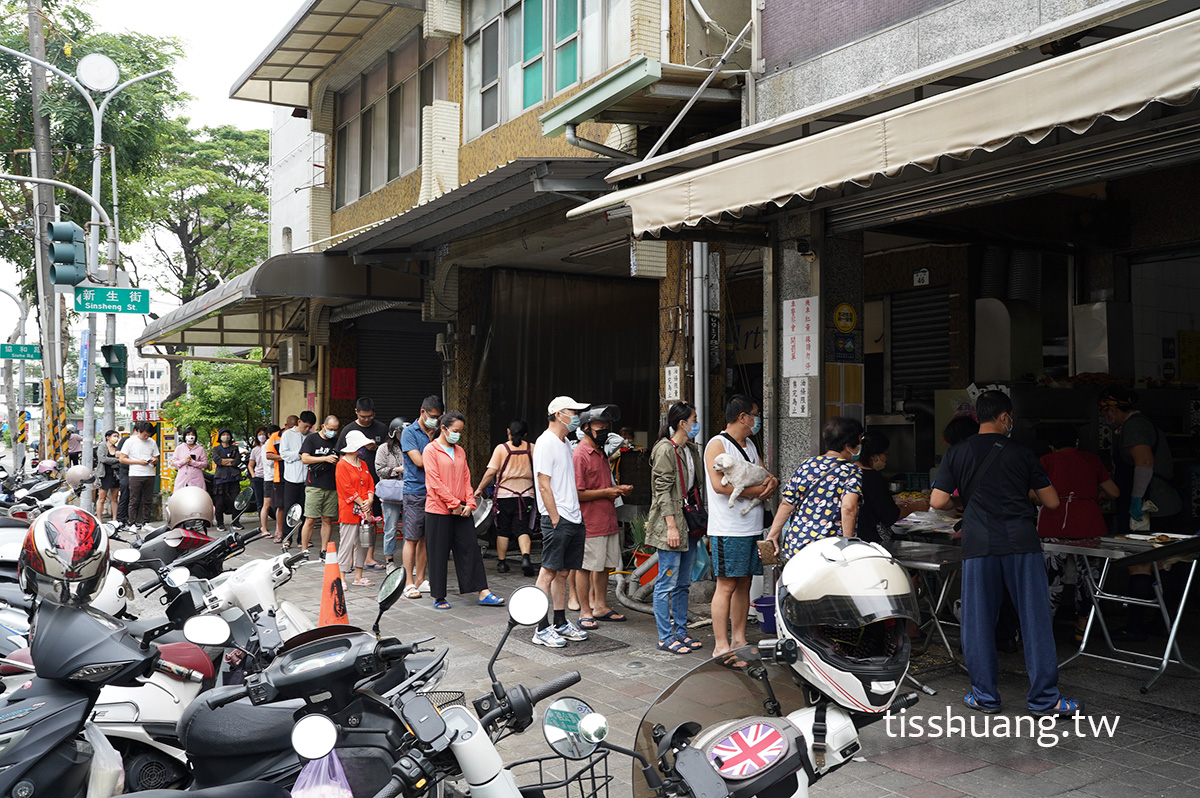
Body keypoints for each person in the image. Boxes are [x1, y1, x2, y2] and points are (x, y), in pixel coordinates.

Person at [930, 390, 1080, 716]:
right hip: (1021, 544)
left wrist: (965, 501)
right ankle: (1045, 700)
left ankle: (984, 697)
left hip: (979, 544)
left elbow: (938, 502)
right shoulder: (1023, 453)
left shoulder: (957, 453)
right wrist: (1025, 493)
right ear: (1004, 417)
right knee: (1034, 620)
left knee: (978, 621)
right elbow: (1052, 501)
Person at [1099, 388, 1180, 638]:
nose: (1104, 417)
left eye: (1105, 412)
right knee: (1159, 564)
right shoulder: (1137, 425)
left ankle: (1136, 625)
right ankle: (1159, 622)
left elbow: (1144, 463)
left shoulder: (1134, 427)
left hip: (1151, 506)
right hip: (1159, 503)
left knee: (1141, 564)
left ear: (1113, 410)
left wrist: (1135, 501)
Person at [705, 395, 779, 661]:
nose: (757, 419)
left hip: (751, 526)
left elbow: (765, 474)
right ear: (743, 417)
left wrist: (771, 482)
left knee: (745, 582)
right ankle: (720, 646)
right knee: (726, 585)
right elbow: (719, 486)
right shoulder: (718, 444)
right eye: (755, 414)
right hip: (728, 528)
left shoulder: (748, 445)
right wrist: (761, 490)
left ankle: (739, 639)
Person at [1037, 423, 1119, 637]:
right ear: (1076, 443)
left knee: (1050, 580)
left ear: (1051, 446)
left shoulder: (1046, 460)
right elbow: (1114, 492)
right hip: (1089, 525)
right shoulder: (1092, 460)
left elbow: (1033, 495)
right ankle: (1082, 628)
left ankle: (1043, 629)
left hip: (1054, 525)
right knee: (1088, 579)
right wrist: (1092, 496)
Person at [423, 411, 505, 609]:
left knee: (470, 550)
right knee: (438, 553)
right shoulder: (430, 450)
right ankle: (439, 596)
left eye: (460, 431)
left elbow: (467, 478)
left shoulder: (460, 451)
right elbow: (435, 483)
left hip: (462, 509)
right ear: (443, 428)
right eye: (455, 430)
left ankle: (482, 591)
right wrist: (454, 504)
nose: (458, 435)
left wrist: (469, 503)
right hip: (438, 510)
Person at [531, 396, 593, 648]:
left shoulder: (565, 442)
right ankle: (540, 627)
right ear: (558, 414)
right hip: (558, 517)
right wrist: (555, 517)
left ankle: (559, 622)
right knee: (548, 571)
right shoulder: (545, 442)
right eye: (573, 411)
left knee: (563, 572)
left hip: (572, 516)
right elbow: (543, 484)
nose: (577, 416)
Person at [647, 401, 704, 655]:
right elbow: (662, 491)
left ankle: (681, 632)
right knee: (666, 582)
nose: (696, 424)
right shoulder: (665, 450)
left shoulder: (689, 449)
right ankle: (665, 636)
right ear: (682, 423)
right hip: (673, 523)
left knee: (683, 583)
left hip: (688, 522)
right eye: (694, 419)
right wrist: (671, 526)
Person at [766, 416, 863, 558]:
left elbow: (786, 504)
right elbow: (848, 508)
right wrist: (847, 544)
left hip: (797, 546)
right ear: (848, 446)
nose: (860, 448)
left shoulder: (807, 465)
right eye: (859, 443)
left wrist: (772, 536)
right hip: (830, 549)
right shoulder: (851, 471)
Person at [572, 405, 631, 631]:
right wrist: (607, 492)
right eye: (600, 427)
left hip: (607, 519)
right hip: (590, 522)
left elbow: (601, 486)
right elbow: (577, 493)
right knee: (585, 568)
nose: (605, 431)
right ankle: (585, 611)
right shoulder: (579, 455)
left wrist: (616, 489)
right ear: (586, 428)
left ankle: (601, 606)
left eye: (607, 427)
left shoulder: (601, 452)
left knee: (606, 566)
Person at [474, 420, 537, 577]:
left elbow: (490, 472)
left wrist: (480, 488)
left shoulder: (502, 449)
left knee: (503, 529)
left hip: (504, 496)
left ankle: (502, 563)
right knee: (523, 528)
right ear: (525, 434)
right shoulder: (532, 448)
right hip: (526, 495)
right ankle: (526, 558)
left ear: (508, 431)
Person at [337, 398, 390, 569]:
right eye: (363, 417)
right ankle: (351, 559)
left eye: (370, 417)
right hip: (354, 483)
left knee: (371, 521)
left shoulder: (381, 428)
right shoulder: (348, 430)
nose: (367, 420)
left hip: (373, 482)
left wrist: (375, 448)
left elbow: (389, 451)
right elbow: (341, 455)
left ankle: (369, 557)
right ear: (356, 412)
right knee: (352, 525)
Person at [400, 396, 443, 598]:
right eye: (433, 416)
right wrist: (436, 446)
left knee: (426, 539)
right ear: (423, 412)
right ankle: (408, 582)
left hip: (434, 492)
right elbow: (419, 461)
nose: (436, 420)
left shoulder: (436, 433)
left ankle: (420, 579)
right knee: (412, 538)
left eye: (438, 417)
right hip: (415, 491)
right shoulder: (409, 433)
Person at [335, 429, 376, 587]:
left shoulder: (363, 463)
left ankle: (359, 577)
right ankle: (342, 577)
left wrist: (370, 498)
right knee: (347, 542)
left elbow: (370, 483)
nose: (363, 448)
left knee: (362, 543)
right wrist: (362, 502)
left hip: (365, 509)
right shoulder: (342, 465)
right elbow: (346, 489)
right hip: (349, 510)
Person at [854, 431, 911, 545]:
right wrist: (914, 507)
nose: (886, 458)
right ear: (874, 456)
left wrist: (892, 502)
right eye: (886, 454)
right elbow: (890, 516)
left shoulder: (849, 473)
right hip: (873, 539)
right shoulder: (872, 478)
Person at [300, 414, 342, 552]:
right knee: (310, 519)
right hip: (314, 485)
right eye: (330, 428)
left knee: (327, 519)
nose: (333, 432)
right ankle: (304, 550)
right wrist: (325, 459)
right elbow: (305, 459)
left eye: (336, 429)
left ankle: (324, 550)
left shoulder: (336, 441)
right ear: (323, 426)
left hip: (331, 486)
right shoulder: (311, 439)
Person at [375, 417, 408, 573]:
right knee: (390, 527)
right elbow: (379, 470)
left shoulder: (412, 446)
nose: (404, 435)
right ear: (394, 433)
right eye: (401, 432)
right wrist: (396, 470)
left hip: (409, 492)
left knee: (411, 528)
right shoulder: (383, 449)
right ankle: (390, 561)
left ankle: (410, 561)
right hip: (391, 494)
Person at [279, 411, 315, 546]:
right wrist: (300, 454)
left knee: (306, 510)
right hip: (291, 478)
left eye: (309, 427)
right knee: (289, 509)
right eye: (305, 426)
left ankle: (302, 539)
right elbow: (284, 455)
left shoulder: (312, 437)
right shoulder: (287, 435)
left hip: (307, 479)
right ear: (299, 422)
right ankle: (287, 538)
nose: (306, 429)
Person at [118, 422, 159, 532]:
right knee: (134, 500)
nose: (146, 437)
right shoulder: (130, 442)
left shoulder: (152, 442)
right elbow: (122, 459)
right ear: (139, 431)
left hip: (150, 473)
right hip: (135, 474)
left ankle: (146, 522)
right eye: (145, 435)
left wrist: (154, 459)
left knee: (148, 499)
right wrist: (138, 462)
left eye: (148, 435)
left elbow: (156, 457)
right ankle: (132, 523)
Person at [265, 417, 296, 542]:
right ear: (285, 425)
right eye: (290, 427)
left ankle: (295, 534)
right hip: (280, 476)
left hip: (296, 476)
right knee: (281, 506)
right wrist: (285, 457)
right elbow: (269, 455)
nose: (293, 430)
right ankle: (279, 531)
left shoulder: (298, 436)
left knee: (295, 506)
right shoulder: (275, 436)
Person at [210, 429, 241, 532]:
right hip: (221, 478)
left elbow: (237, 461)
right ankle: (220, 523)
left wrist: (225, 461)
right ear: (220, 437)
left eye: (227, 434)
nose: (225, 436)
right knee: (219, 502)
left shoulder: (234, 448)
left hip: (233, 477)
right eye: (223, 434)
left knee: (236, 500)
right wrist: (229, 460)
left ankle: (236, 521)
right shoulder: (216, 449)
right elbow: (217, 461)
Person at [171, 427, 208, 492]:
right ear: (185, 436)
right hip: (182, 478)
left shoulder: (200, 449)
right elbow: (174, 462)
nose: (190, 437)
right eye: (188, 435)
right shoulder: (179, 448)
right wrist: (184, 461)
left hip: (196, 478)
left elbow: (204, 464)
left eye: (192, 434)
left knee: (197, 496)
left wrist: (193, 463)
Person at [96, 430, 121, 523]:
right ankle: (99, 519)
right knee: (101, 498)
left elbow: (121, 460)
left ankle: (114, 519)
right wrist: (116, 460)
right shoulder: (102, 446)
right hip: (104, 475)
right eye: (114, 436)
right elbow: (103, 459)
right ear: (108, 437)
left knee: (114, 498)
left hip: (115, 475)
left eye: (117, 436)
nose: (116, 438)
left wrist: (113, 461)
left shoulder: (117, 448)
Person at [248, 426, 269, 532]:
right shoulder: (255, 450)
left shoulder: (270, 447)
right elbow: (250, 464)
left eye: (263, 434)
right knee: (260, 502)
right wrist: (253, 475)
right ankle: (263, 525)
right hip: (258, 477)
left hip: (269, 477)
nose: (262, 436)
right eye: (259, 434)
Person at [115, 426, 131, 529]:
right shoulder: (125, 440)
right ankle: (120, 520)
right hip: (125, 472)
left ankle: (131, 520)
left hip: (138, 473)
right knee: (124, 496)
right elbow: (118, 454)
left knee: (134, 498)